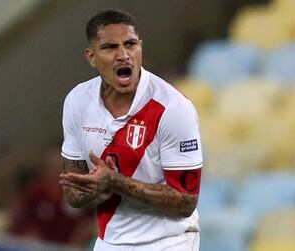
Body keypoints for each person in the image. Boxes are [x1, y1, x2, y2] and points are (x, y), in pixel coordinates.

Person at [59, 9, 203, 251]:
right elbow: (72, 194)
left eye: (130, 44)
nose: (123, 55)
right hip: (111, 242)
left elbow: (186, 201)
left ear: (140, 47)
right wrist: (97, 190)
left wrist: (117, 182)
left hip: (169, 242)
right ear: (91, 56)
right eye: (110, 47)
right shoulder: (77, 102)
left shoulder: (173, 107)